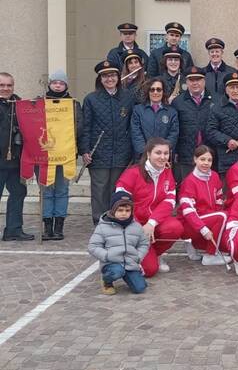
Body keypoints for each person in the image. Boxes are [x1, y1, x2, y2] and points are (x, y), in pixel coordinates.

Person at [114, 138, 184, 277]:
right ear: (148, 153)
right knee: (150, 271)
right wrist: (137, 227)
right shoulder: (132, 173)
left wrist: (152, 223)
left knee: (175, 227)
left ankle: (155, 253)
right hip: (134, 225)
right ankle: (131, 254)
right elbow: (121, 205)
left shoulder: (167, 172)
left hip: (153, 222)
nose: (163, 157)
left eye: (166, 153)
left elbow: (169, 201)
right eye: (158, 153)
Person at [82, 60, 135, 225]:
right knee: (99, 191)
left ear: (118, 77)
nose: (109, 79)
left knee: (118, 191)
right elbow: (85, 127)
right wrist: (84, 150)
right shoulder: (91, 99)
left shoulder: (128, 97)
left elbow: (133, 125)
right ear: (100, 79)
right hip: (98, 154)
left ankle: (117, 221)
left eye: (112, 75)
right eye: (105, 76)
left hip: (122, 153)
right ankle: (100, 223)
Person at [41, 70, 84, 241]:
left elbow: (79, 126)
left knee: (61, 190)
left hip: (65, 153)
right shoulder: (40, 103)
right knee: (47, 191)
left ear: (66, 85)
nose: (58, 85)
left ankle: (58, 226)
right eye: (55, 82)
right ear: (50, 84)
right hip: (45, 154)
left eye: (61, 83)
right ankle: (47, 226)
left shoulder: (73, 104)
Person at [88, 191, 149, 295]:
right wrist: (106, 256)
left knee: (140, 288)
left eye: (127, 210)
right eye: (120, 210)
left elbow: (144, 243)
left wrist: (138, 256)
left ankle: (129, 275)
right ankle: (107, 281)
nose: (124, 213)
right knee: (116, 271)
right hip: (111, 263)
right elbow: (93, 246)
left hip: (130, 263)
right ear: (113, 210)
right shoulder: (103, 227)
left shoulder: (136, 226)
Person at [177, 145, 230, 265]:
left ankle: (196, 244)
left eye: (209, 160)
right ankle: (210, 255)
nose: (206, 163)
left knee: (228, 249)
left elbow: (219, 200)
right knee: (223, 216)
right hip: (190, 224)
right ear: (195, 160)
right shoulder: (189, 182)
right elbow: (188, 212)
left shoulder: (215, 176)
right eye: (202, 159)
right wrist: (203, 229)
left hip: (208, 219)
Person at [0, 72, 31, 241]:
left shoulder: (20, 105)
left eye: (9, 85)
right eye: (2, 85)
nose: (5, 88)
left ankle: (13, 229)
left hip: (15, 161)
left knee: (19, 193)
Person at [171, 66, 214, 184]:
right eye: (191, 80)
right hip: (186, 155)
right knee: (187, 189)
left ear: (204, 81)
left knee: (207, 189)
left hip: (209, 155)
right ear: (187, 82)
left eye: (198, 79)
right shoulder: (178, 102)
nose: (195, 83)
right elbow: (174, 130)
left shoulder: (216, 100)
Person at [130, 78, 179, 160]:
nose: (155, 92)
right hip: (143, 157)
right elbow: (136, 133)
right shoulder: (138, 110)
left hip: (163, 158)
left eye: (159, 89)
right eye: (152, 90)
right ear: (148, 92)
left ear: (163, 92)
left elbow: (173, 134)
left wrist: (162, 153)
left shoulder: (172, 112)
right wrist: (145, 153)